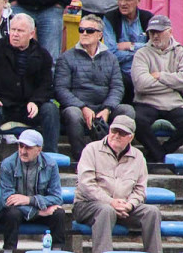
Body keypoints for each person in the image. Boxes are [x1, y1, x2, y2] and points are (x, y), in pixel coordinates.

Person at [72, 115, 162, 253]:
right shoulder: (91, 150)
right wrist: (110, 202)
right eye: (114, 131)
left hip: (124, 207)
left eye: (122, 133)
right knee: (105, 210)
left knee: (152, 212)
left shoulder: (138, 157)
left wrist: (130, 204)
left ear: (131, 137)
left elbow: (140, 190)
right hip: (88, 205)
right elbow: (86, 184)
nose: (116, 136)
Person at [0, 13, 59, 157]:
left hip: (28, 108)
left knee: (50, 109)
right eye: (13, 30)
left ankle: (51, 157)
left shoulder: (43, 55)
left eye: (20, 31)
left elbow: (46, 85)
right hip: (3, 104)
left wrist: (36, 101)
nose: (14, 34)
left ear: (31, 34)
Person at [54, 13, 133, 160]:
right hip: (77, 107)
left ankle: (116, 156)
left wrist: (107, 109)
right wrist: (82, 107)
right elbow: (61, 89)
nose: (84, 33)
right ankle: (80, 159)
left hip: (103, 107)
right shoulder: (66, 58)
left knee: (127, 111)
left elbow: (117, 87)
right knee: (72, 113)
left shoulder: (111, 58)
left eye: (89, 31)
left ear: (99, 35)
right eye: (81, 30)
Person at [0, 129, 68, 253]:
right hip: (15, 211)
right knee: (12, 213)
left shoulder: (50, 165)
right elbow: (7, 199)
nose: (23, 151)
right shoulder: (7, 164)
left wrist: (29, 200)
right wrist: (38, 211)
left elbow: (56, 197)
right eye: (20, 146)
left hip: (36, 206)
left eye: (27, 147)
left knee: (59, 213)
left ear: (39, 149)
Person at [131, 14, 183, 163]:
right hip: (147, 102)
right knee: (137, 121)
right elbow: (141, 84)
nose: (155, 36)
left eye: (159, 32)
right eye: (152, 32)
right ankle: (161, 156)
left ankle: (157, 154)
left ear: (170, 32)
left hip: (176, 103)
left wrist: (159, 76)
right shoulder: (141, 54)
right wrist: (174, 85)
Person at [103, 0, 151, 105]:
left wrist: (130, 46)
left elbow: (154, 50)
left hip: (144, 70)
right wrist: (141, 51)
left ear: (138, 0)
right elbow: (110, 54)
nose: (123, 3)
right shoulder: (109, 18)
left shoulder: (148, 18)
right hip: (119, 71)